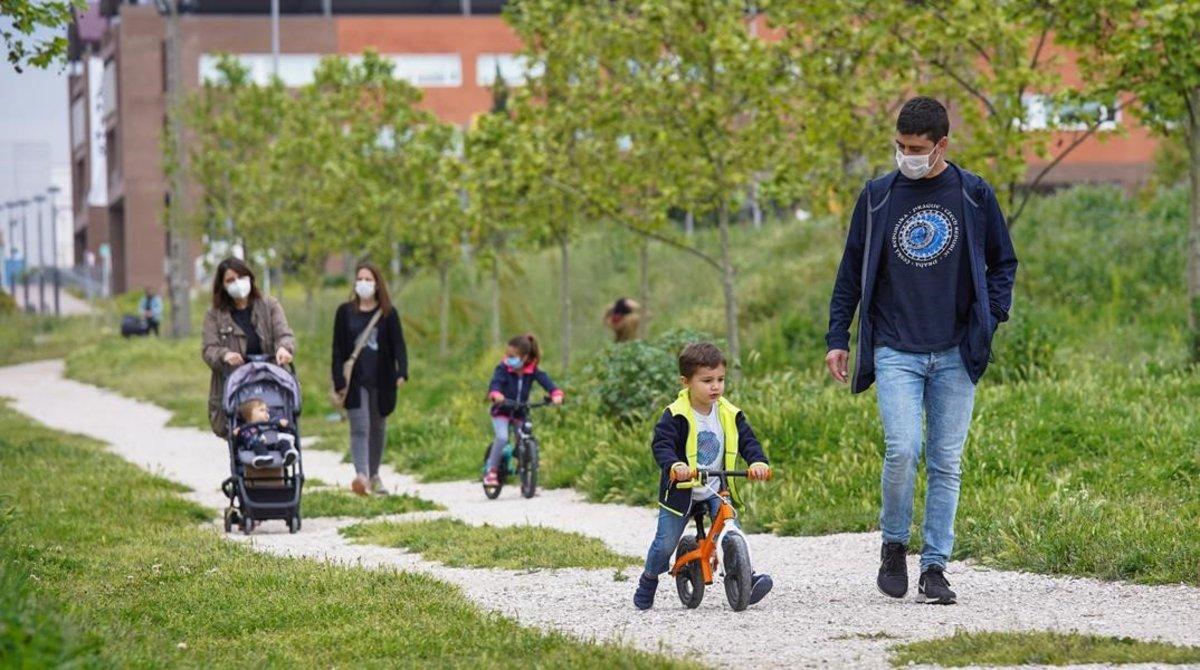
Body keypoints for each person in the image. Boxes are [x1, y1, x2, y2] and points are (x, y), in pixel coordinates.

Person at [824, 97, 1018, 605]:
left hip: (956, 349)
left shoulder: (974, 194)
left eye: (917, 148)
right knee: (903, 448)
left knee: (946, 462)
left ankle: (935, 567)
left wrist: (990, 318)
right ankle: (893, 545)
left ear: (942, 146)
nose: (906, 155)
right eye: (900, 146)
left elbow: (1003, 262)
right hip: (895, 348)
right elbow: (850, 271)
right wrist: (836, 338)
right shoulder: (878, 196)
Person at [633, 342, 773, 610]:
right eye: (707, 381)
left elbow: (748, 440)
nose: (715, 387)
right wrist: (674, 465)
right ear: (686, 382)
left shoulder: (728, 413)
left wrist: (757, 461)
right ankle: (649, 579)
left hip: (715, 486)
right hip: (681, 491)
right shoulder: (676, 414)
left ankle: (747, 577)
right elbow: (661, 445)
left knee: (732, 528)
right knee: (664, 544)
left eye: (720, 379)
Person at [331, 263, 408, 497]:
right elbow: (337, 349)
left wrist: (402, 371)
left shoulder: (388, 313)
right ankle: (361, 476)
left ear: (377, 284)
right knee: (360, 427)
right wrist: (338, 380)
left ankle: (374, 475)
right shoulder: (344, 312)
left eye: (368, 279)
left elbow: (398, 345)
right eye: (359, 278)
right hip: (355, 381)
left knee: (378, 428)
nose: (363, 283)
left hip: (382, 380)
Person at [200, 257, 296, 439]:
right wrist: (224, 355)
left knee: (277, 428)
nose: (237, 283)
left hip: (269, 383)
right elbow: (208, 349)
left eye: (240, 277)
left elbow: (284, 334)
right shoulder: (214, 315)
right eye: (230, 280)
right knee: (242, 438)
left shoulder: (269, 306)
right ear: (222, 285)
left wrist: (284, 349)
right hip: (236, 386)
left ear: (249, 278)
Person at [483, 333, 563, 487]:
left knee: (525, 437)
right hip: (502, 410)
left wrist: (556, 394)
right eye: (507, 355)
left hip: (520, 411)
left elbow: (547, 383)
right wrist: (496, 394)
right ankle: (491, 471)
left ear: (525, 357)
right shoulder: (503, 369)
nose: (508, 358)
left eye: (512, 356)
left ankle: (525, 472)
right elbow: (496, 384)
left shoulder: (533, 371)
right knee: (502, 438)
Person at [233, 397, 298, 468]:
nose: (266, 412)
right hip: (256, 445)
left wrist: (282, 424)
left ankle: (288, 454)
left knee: (284, 442)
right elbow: (240, 440)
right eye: (261, 410)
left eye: (267, 411)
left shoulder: (272, 421)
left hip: (273, 444)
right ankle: (263, 457)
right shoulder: (245, 427)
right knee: (257, 444)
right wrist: (236, 433)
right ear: (248, 414)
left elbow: (284, 429)